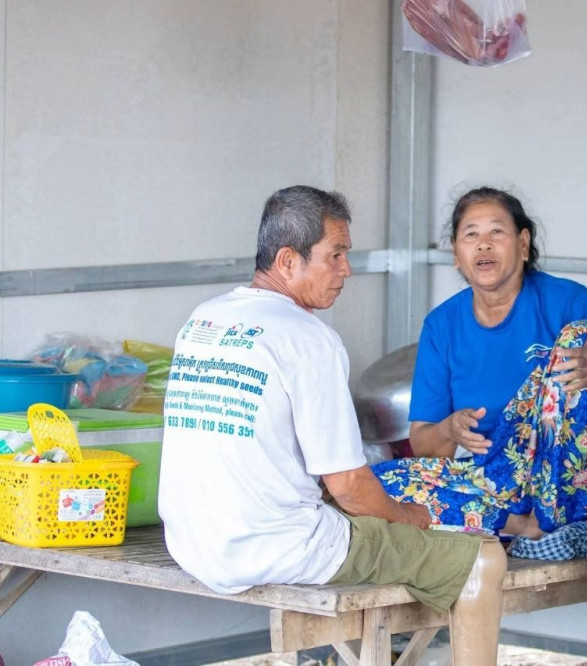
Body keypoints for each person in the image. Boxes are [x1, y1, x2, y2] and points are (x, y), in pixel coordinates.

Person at [158, 185, 506, 665]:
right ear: (287, 261)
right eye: (336, 255)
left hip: (193, 543)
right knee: (483, 560)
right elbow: (350, 488)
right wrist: (410, 517)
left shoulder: (204, 320)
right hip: (275, 547)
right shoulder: (308, 338)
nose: (347, 270)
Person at [372, 186, 587, 550]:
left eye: (497, 232)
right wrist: (450, 429)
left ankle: (551, 517)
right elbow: (423, 442)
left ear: (523, 244)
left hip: (566, 478)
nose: (483, 245)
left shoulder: (568, 301)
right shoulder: (442, 325)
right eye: (471, 235)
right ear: (456, 254)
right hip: (494, 479)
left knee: (582, 337)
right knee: (375, 485)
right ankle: (515, 524)